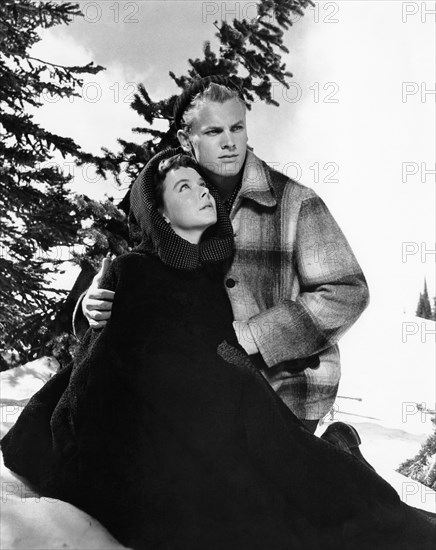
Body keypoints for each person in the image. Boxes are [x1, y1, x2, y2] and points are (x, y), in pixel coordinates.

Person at [1, 150, 435, 550]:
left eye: (202, 184)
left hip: (241, 418)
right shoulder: (134, 270)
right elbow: (96, 379)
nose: (202, 191)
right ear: (161, 215)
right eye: (183, 188)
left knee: (335, 494)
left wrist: (232, 372)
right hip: (164, 445)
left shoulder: (212, 279)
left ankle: (341, 456)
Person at [76, 77, 369, 443]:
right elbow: (144, 270)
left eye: (237, 127)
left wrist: (249, 336)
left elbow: (346, 291)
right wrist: (93, 304)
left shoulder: (296, 202)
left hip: (290, 383)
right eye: (214, 131)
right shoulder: (174, 194)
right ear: (186, 140)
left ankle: (340, 457)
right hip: (205, 383)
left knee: (254, 489)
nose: (230, 142)